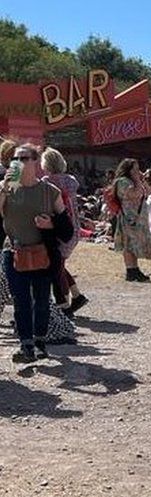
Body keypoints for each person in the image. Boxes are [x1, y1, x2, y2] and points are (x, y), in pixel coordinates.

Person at [0, 143, 71, 363]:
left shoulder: (50, 191)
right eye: (15, 158)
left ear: (35, 162)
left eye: (23, 158)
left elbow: (67, 229)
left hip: (43, 253)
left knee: (41, 299)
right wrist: (4, 188)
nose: (18, 162)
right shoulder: (6, 188)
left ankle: (40, 342)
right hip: (14, 252)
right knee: (20, 301)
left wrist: (51, 224)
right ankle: (26, 345)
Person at [40, 147, 88, 316]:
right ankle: (76, 296)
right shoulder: (71, 181)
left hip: (58, 229)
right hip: (74, 229)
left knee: (56, 268)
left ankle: (64, 305)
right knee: (59, 264)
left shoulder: (48, 182)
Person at [111, 159, 151, 281]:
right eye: (134, 169)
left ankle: (135, 269)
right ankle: (131, 270)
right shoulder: (123, 182)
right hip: (128, 218)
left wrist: (142, 181)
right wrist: (137, 180)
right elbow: (132, 194)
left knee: (134, 245)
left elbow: (149, 193)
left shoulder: (135, 182)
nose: (137, 171)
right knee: (128, 244)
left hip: (138, 218)